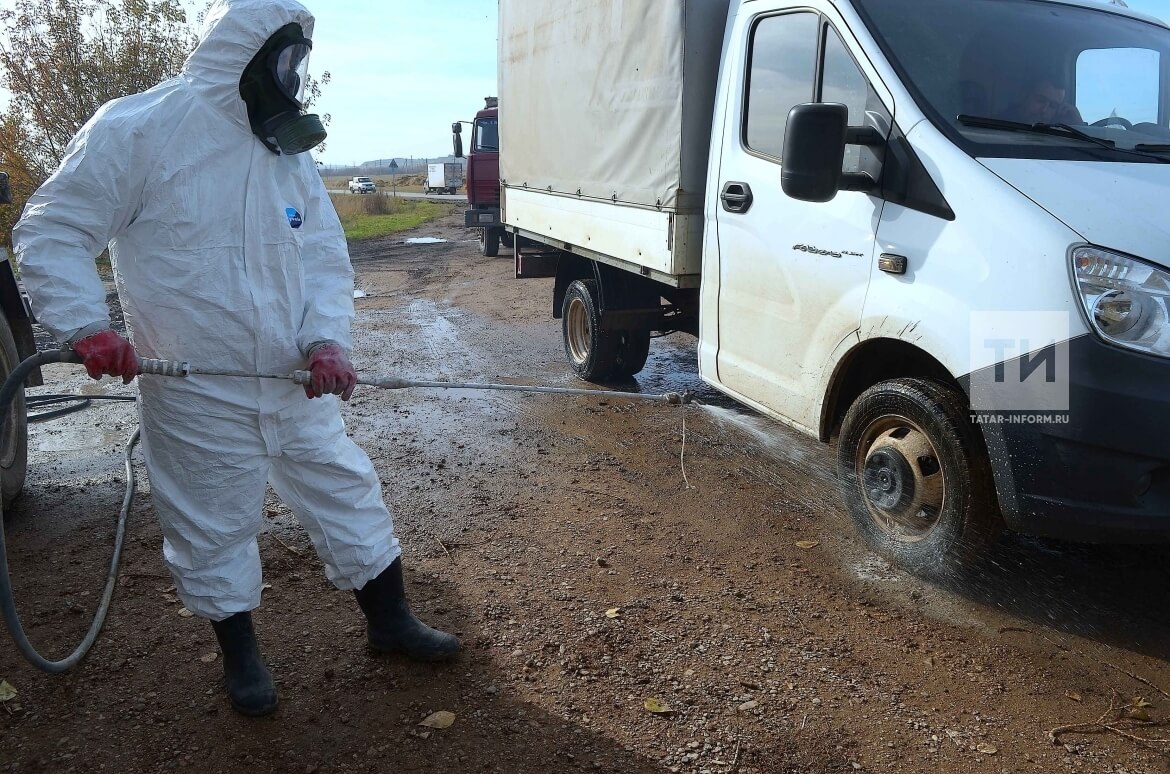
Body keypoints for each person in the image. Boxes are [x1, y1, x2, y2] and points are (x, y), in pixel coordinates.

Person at [12, 0, 459, 717]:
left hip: (292, 381)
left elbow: (319, 257)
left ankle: (390, 621)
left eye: (298, 64)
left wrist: (326, 340)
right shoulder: (139, 130)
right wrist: (84, 325)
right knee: (212, 522)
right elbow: (54, 230)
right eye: (284, 61)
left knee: (347, 492)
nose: (293, 77)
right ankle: (242, 658)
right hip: (195, 388)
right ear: (246, 55)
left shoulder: (285, 152)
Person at [1002, 76, 1084, 125]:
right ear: (1023, 95)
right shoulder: (998, 125)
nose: (1044, 110)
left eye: (1053, 106)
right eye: (1040, 100)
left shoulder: (1055, 133)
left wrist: (1078, 125)